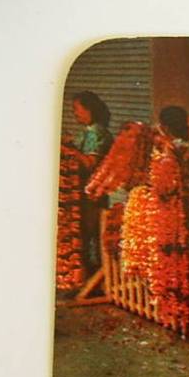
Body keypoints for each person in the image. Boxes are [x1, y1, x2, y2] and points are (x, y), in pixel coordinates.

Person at [70, 91, 114, 275]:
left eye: (77, 110)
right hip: (85, 191)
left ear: (89, 111)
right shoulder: (89, 131)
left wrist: (69, 151)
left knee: (91, 232)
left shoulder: (98, 133)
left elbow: (90, 162)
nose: (75, 114)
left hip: (93, 192)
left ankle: (95, 274)